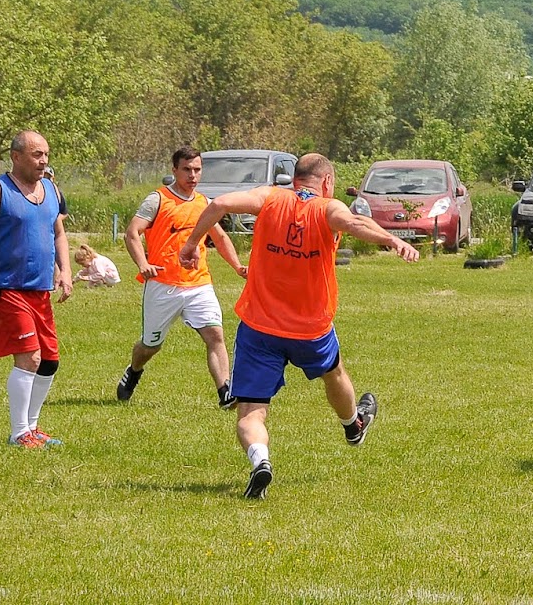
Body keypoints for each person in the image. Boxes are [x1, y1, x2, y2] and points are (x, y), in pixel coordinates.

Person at [179, 153, 419, 499]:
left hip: (260, 326)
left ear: (294, 179)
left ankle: (261, 461)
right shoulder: (326, 207)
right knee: (334, 374)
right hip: (310, 328)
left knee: (250, 413)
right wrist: (392, 240)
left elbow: (219, 203)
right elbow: (354, 223)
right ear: (326, 181)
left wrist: (191, 244)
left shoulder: (269, 198)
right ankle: (353, 425)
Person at [0, 130, 72, 448]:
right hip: (7, 289)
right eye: (36, 154)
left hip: (41, 291)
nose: (44, 160)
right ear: (16, 156)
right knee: (30, 358)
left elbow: (58, 233)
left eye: (46, 153)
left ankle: (32, 429)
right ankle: (19, 432)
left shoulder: (50, 189)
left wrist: (66, 270)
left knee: (50, 360)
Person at [116, 146, 247, 408]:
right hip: (163, 285)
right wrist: (143, 264)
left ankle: (225, 392)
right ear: (174, 170)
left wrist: (238, 266)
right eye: (187, 169)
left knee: (215, 335)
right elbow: (132, 233)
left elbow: (219, 238)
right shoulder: (158, 200)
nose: (193, 175)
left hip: (199, 284)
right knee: (150, 347)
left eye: (197, 169)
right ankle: (134, 370)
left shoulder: (205, 203)